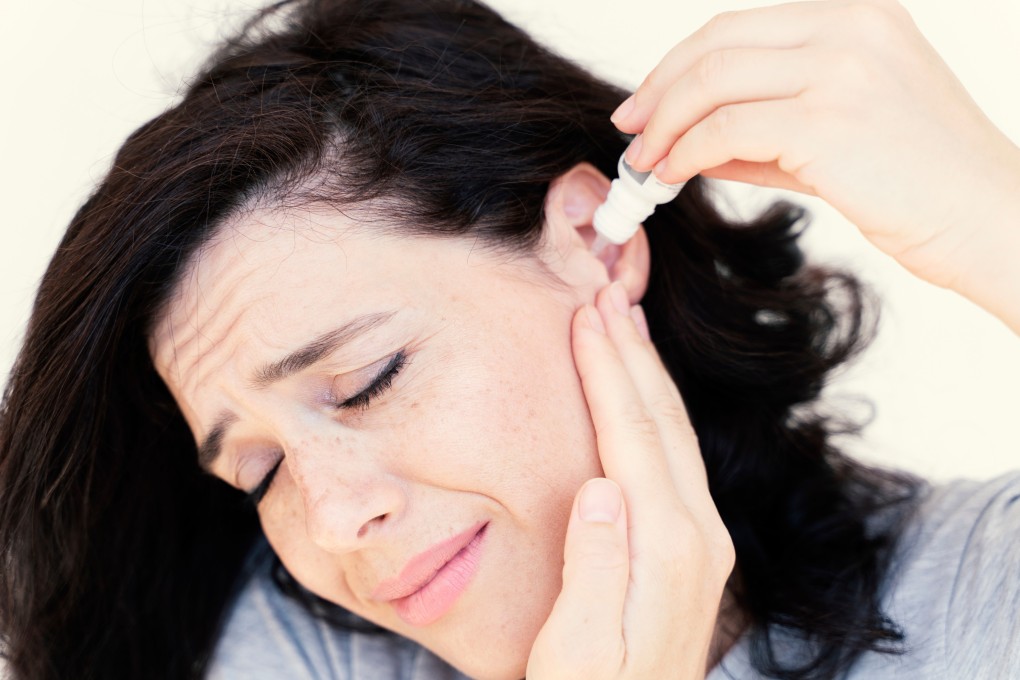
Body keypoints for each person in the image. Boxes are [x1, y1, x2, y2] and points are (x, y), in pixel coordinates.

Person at [1, 0, 1017, 678]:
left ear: (592, 240)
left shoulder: (978, 594)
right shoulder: (296, 650)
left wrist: (996, 214)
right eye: (260, 470)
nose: (336, 517)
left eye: (364, 380)